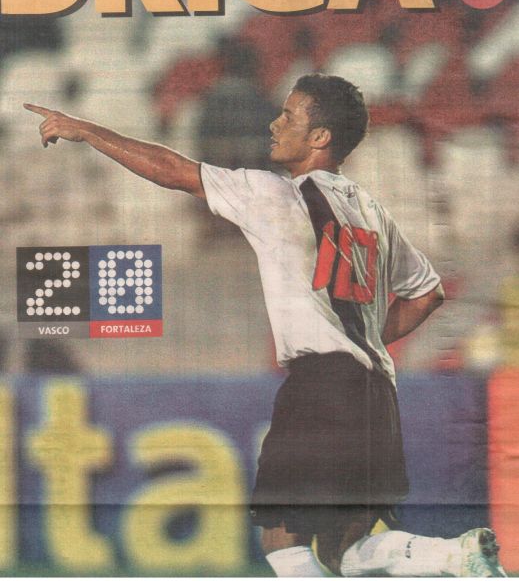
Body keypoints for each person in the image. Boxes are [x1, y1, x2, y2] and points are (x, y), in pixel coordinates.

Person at [24, 73, 507, 578]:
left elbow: (173, 170)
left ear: (320, 137)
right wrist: (364, 340)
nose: (275, 124)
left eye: (289, 116)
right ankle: (454, 556)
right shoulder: (372, 213)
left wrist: (88, 131)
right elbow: (428, 293)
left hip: (320, 384)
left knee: (281, 539)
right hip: (377, 392)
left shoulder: (275, 196)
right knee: (347, 550)